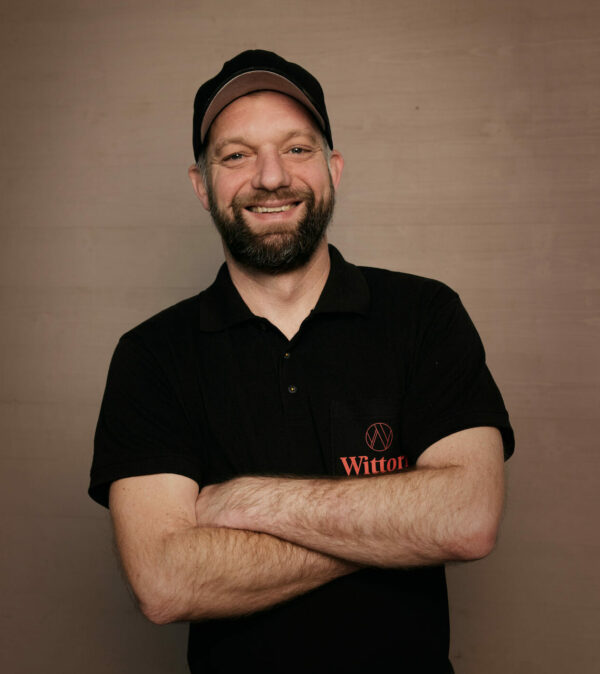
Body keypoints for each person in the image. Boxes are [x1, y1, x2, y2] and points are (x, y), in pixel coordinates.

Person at [89, 50, 514, 674]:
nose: (270, 177)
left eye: (296, 148)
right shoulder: (151, 355)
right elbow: (164, 582)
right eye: (237, 155)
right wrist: (395, 525)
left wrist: (246, 502)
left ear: (333, 169)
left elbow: (469, 517)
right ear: (202, 186)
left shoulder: (425, 313)